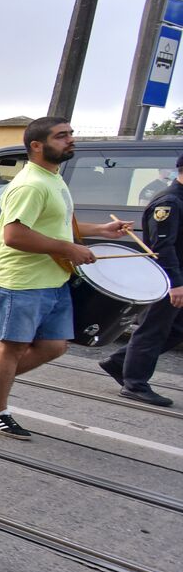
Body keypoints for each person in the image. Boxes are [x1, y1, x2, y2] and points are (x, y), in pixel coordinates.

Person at [0, 117, 129, 439]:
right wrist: (69, 248)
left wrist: (99, 230)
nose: (70, 140)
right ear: (37, 146)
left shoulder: (53, 178)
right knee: (12, 349)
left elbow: (58, 223)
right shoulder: (30, 184)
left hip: (53, 278)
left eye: (70, 134)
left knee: (54, 346)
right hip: (21, 281)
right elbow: (14, 235)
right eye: (61, 136)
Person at [100, 158, 183, 405]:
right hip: (166, 277)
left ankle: (120, 363)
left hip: (178, 275)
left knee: (177, 329)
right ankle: (135, 384)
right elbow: (162, 247)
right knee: (154, 329)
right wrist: (175, 283)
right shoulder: (169, 202)